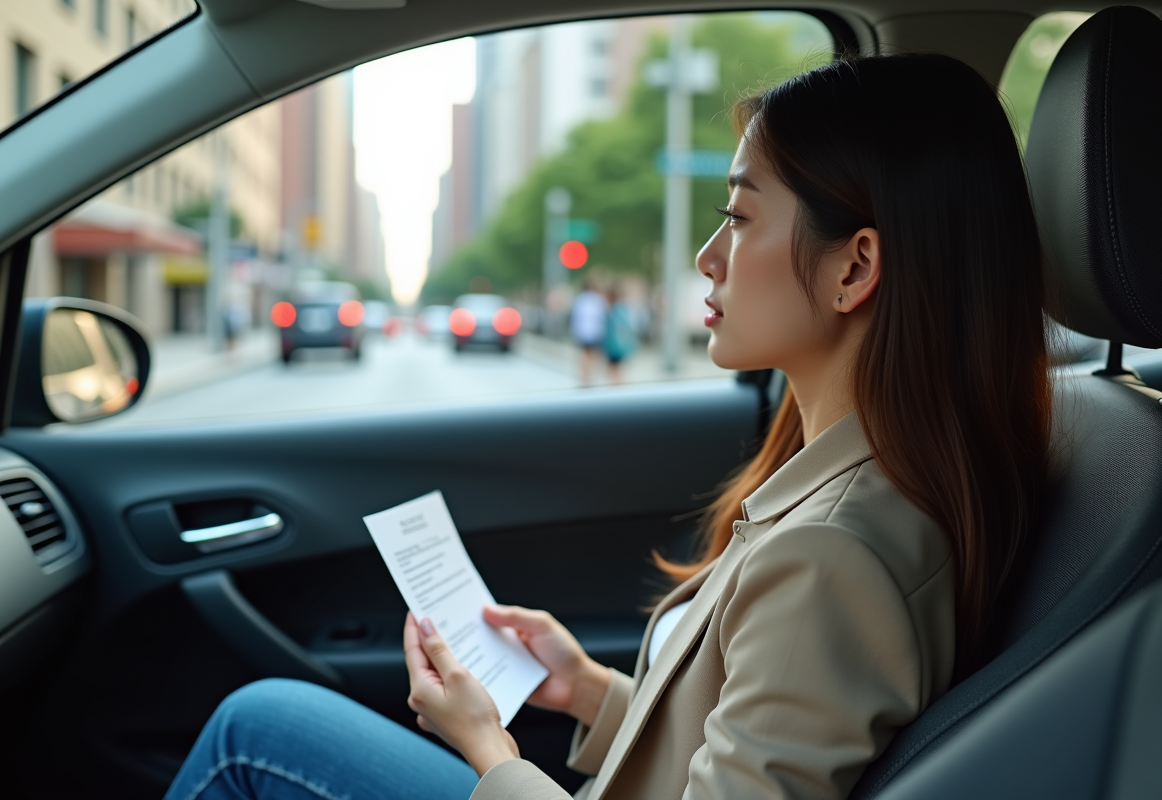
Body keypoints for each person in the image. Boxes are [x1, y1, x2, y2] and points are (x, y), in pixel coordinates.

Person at [164, 53, 1051, 800]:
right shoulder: (855, 486)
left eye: (739, 218)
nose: (708, 256)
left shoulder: (832, 555)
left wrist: (491, 754)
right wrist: (587, 691)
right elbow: (730, 753)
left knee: (254, 735)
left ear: (856, 267)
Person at [569, 277, 608, 386]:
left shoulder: (581, 299)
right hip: (594, 333)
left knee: (585, 355)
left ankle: (585, 378)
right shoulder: (597, 299)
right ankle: (589, 378)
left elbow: (576, 318)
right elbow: (602, 316)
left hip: (583, 333)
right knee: (592, 356)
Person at [602, 282, 638, 384]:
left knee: (614, 370)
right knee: (618, 370)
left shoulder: (614, 311)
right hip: (620, 346)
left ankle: (617, 390)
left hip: (614, 347)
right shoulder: (623, 309)